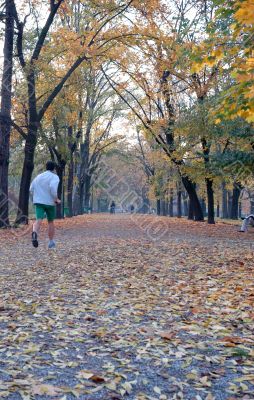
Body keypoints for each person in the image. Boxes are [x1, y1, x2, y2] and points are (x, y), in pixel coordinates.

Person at [30, 161, 61, 248]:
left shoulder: (38, 177)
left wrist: (36, 197)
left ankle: (35, 233)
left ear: (46, 167)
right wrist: (56, 199)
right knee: (50, 222)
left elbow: (31, 189)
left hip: (39, 202)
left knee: (38, 220)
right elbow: (53, 188)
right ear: (54, 168)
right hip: (50, 203)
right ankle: (51, 242)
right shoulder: (55, 177)